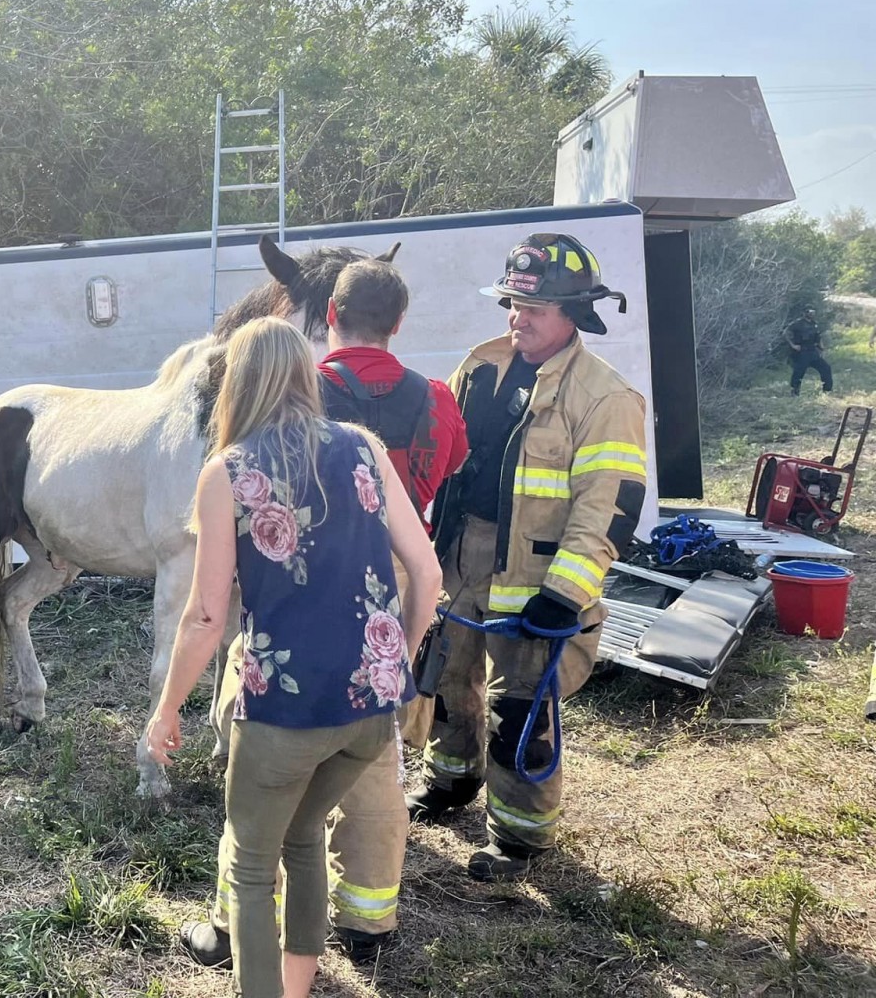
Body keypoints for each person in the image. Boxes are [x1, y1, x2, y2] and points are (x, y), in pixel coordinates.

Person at [145, 317, 440, 998]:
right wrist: (398, 661)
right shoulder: (364, 448)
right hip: (368, 710)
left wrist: (165, 711)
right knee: (304, 839)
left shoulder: (227, 472)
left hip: (281, 713)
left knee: (252, 868)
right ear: (307, 377)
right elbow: (426, 574)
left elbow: (206, 616)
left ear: (237, 385)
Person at [192, 260, 467, 969]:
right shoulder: (434, 399)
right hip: (391, 593)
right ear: (399, 322)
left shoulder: (299, 407)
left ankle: (232, 922)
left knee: (258, 791)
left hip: (292, 603)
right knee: (376, 777)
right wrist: (397, 651)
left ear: (329, 316)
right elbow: (445, 487)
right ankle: (370, 918)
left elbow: (211, 599)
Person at [410, 233, 648, 881]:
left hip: (538, 573)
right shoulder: (479, 367)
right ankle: (451, 780)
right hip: (461, 556)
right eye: (512, 305)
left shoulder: (605, 399)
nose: (517, 319)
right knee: (446, 679)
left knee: (520, 706)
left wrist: (565, 593)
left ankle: (519, 837)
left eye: (533, 310)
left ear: (573, 314)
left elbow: (608, 509)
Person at [785, 307, 833, 395]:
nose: (811, 314)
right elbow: (786, 333)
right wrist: (793, 345)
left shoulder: (814, 324)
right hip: (802, 352)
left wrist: (822, 349)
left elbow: (818, 338)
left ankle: (827, 391)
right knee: (799, 372)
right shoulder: (797, 324)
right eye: (808, 312)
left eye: (812, 312)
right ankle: (794, 391)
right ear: (804, 313)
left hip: (813, 351)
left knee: (826, 368)